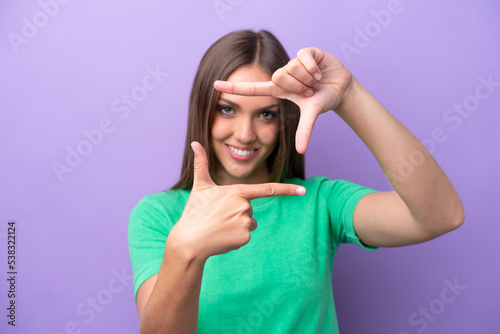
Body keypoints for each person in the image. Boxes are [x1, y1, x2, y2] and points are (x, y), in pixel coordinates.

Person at [128, 30, 464, 333]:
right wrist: (185, 247)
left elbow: (441, 215)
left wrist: (349, 94)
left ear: (284, 120)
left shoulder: (320, 202)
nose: (244, 135)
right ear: (202, 109)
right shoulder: (158, 216)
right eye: (227, 110)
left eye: (266, 114)